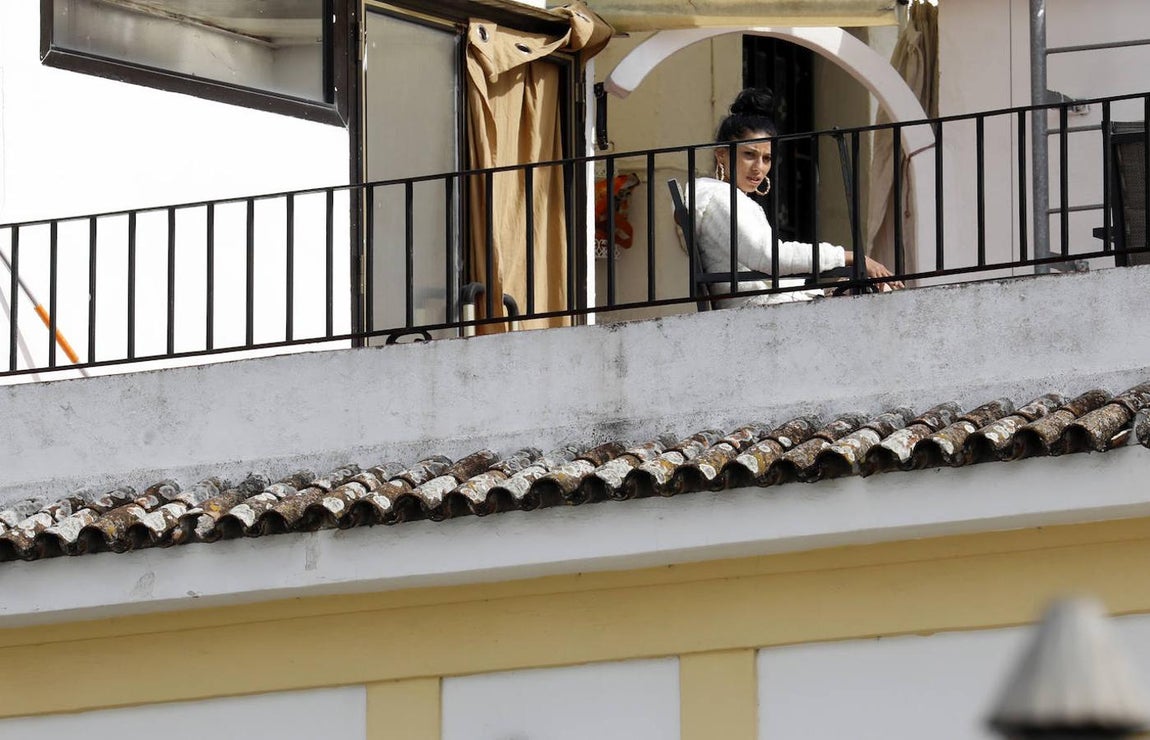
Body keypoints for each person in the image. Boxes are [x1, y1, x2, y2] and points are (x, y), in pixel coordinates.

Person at [692, 88, 901, 307]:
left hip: (769, 302)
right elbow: (771, 257)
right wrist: (850, 256)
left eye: (767, 158)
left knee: (875, 289)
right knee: (875, 294)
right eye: (749, 155)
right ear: (721, 155)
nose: (759, 168)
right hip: (760, 307)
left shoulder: (728, 199)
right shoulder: (721, 198)